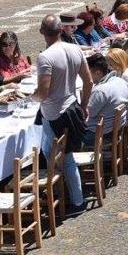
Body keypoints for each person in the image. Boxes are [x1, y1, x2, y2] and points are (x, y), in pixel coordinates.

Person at [33, 14, 93, 214]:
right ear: (61, 30)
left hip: (54, 114)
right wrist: (84, 105)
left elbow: (43, 93)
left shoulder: (45, 57)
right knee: (54, 154)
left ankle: (74, 200)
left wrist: (29, 98)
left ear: (43, 33)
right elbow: (89, 82)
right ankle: (64, 193)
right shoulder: (75, 49)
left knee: (62, 157)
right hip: (71, 106)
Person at [81, 53, 128, 147]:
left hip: (100, 134)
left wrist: (85, 94)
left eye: (87, 73)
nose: (85, 77)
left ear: (98, 72)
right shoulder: (120, 81)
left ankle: (67, 161)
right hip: (117, 128)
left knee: (65, 135)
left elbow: (86, 114)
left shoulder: (100, 91)